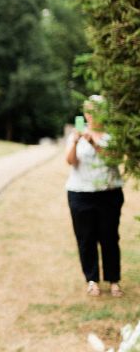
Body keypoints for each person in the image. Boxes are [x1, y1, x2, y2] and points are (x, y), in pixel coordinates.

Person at [65, 94, 124, 298]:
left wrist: (94, 143)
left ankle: (114, 280)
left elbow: (114, 159)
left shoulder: (112, 135)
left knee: (109, 237)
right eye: (88, 111)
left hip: (108, 193)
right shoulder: (77, 135)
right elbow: (70, 161)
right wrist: (74, 142)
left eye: (95, 111)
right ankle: (92, 280)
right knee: (86, 238)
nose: (90, 115)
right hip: (80, 194)